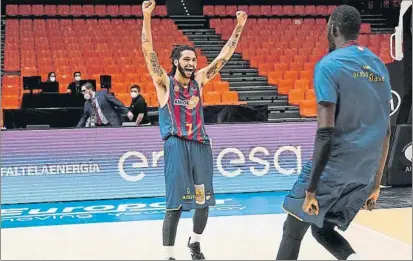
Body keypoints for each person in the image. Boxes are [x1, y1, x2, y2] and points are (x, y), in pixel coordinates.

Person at [276, 5, 392, 260]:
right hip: (363, 172)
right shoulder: (379, 65)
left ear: (333, 28)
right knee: (322, 229)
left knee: (293, 230)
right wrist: (375, 182)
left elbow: (325, 133)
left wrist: (311, 189)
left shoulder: (328, 65)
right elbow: (386, 130)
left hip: (334, 168)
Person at [140, 0, 247, 259]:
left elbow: (224, 57)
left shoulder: (199, 80)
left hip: (200, 145)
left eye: (193, 59)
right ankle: (168, 255)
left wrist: (239, 27)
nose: (191, 63)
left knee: (204, 201)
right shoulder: (164, 83)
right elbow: (147, 52)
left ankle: (195, 242)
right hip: (176, 145)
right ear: (176, 61)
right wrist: (146, 16)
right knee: (175, 205)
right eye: (186, 59)